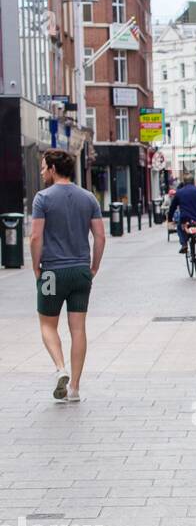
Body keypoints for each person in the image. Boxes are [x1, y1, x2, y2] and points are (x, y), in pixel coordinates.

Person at [30, 149, 105, 404]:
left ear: (52, 169)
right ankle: (74, 387)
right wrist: (93, 267)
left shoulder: (42, 198)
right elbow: (100, 237)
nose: (41, 172)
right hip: (81, 271)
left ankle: (60, 368)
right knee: (78, 329)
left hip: (52, 271)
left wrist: (36, 268)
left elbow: (36, 237)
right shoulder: (88, 198)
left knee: (47, 324)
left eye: (42, 168)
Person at [171, 173, 196, 271]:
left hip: (185, 221)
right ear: (193, 181)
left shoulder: (179, 193)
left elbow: (172, 207)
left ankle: (184, 244)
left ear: (184, 182)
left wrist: (169, 219)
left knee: (180, 227)